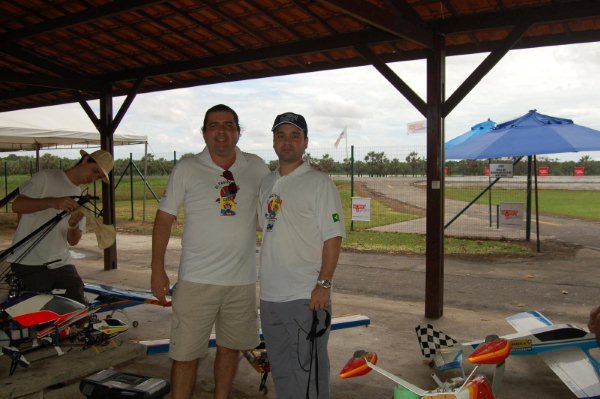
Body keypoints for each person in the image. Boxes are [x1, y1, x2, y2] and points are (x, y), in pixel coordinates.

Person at [150, 104, 270, 399]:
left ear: (238, 132)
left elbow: (280, 196)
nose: (222, 131)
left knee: (230, 349)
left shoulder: (256, 166)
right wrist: (156, 269)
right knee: (185, 355)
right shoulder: (187, 168)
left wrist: (311, 170)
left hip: (240, 282)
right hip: (196, 281)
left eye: (229, 125)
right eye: (214, 125)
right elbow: (164, 218)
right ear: (204, 132)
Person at [258, 112, 346, 399]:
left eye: (295, 136)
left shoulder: (319, 182)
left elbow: (333, 237)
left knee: (309, 374)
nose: (287, 142)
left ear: (305, 142)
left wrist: (323, 285)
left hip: (305, 297)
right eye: (281, 135)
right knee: (282, 371)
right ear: (273, 142)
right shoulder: (266, 183)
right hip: (270, 296)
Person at [8, 149, 114, 304]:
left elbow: (73, 241)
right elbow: (17, 205)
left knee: (77, 312)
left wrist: (73, 225)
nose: (93, 178)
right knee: (40, 320)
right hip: (29, 262)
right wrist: (52, 202)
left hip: (61, 262)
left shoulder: (79, 195)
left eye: (98, 177)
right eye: (95, 171)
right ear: (85, 159)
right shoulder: (46, 177)